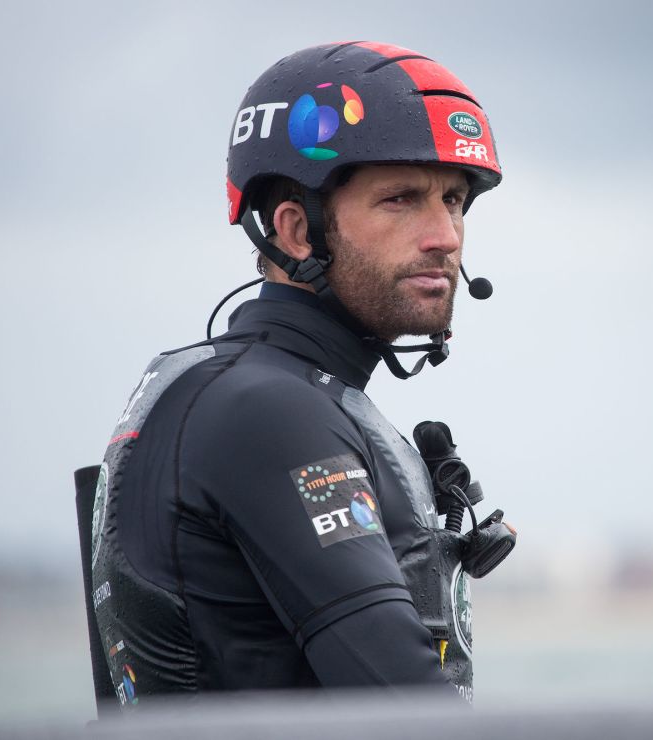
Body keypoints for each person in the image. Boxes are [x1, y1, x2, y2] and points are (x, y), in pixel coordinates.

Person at [83, 41, 512, 709]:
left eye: (453, 200)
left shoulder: (256, 393)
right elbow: (407, 708)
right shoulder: (266, 411)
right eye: (401, 199)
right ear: (295, 231)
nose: (445, 236)